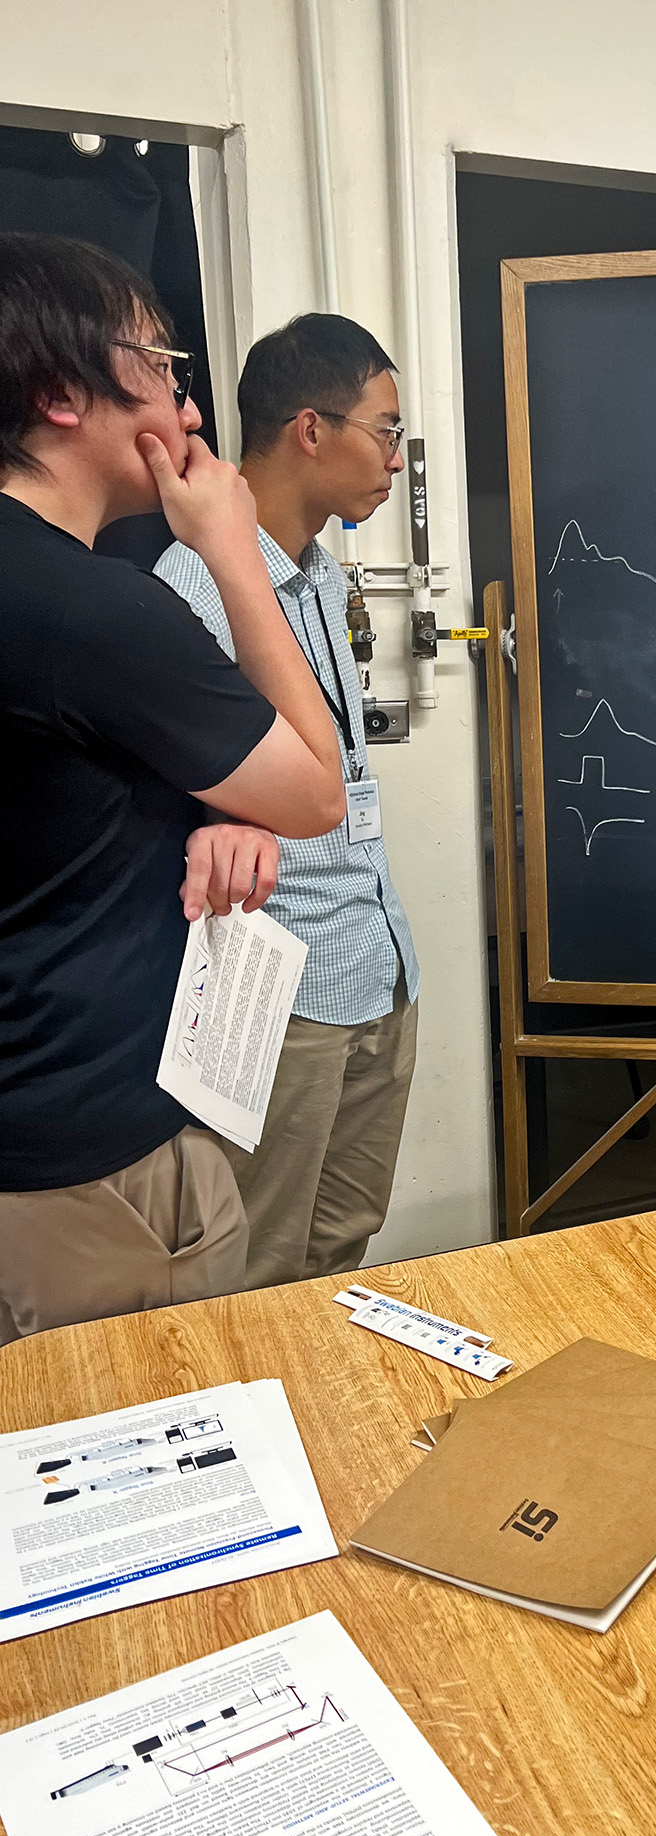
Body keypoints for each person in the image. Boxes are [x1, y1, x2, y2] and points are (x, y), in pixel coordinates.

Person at [0, 235, 345, 1342]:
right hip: (86, 1158)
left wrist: (202, 806)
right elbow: (313, 790)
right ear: (61, 391)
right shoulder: (88, 609)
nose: (187, 407)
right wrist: (234, 549)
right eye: (158, 362)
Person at [157, 314, 420, 1287]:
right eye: (386, 431)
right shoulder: (191, 586)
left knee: (344, 1243)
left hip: (376, 963)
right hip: (282, 991)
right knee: (261, 1266)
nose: (396, 459)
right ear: (312, 430)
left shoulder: (314, 574)